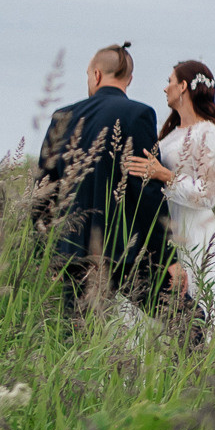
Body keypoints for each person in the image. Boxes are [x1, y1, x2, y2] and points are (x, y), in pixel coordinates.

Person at [32, 42, 170, 316]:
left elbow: (42, 193)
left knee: (78, 337)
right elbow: (148, 191)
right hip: (125, 251)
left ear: (96, 75)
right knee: (182, 318)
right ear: (129, 79)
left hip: (73, 252)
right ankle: (207, 358)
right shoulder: (139, 115)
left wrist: (45, 255)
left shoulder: (63, 117)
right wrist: (168, 259)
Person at [124, 59, 215, 330]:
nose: (165, 88)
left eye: (170, 81)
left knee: (203, 304)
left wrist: (163, 175)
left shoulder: (209, 133)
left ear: (183, 87)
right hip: (166, 225)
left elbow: (208, 194)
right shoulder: (167, 136)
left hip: (195, 230)